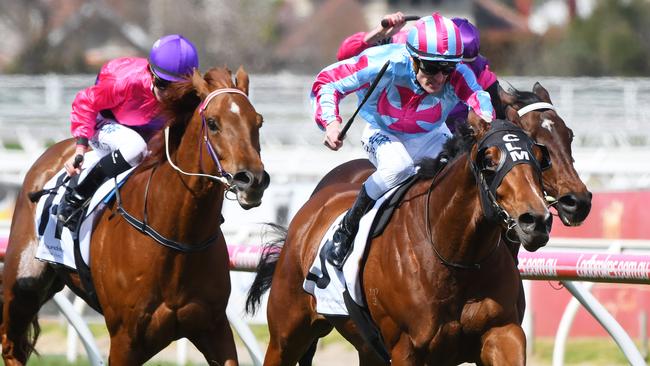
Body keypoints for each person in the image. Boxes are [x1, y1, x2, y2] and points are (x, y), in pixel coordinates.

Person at [312, 13, 495, 269]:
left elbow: (480, 99)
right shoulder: (385, 61)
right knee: (398, 167)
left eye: (447, 69)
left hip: (431, 133)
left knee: (462, 173)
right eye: (431, 68)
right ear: (413, 57)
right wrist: (331, 122)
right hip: (383, 130)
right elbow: (328, 81)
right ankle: (347, 227)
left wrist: (485, 123)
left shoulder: (458, 73)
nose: (440, 78)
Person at [57, 34, 199, 228]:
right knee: (135, 147)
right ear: (151, 73)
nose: (168, 96)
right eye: (163, 85)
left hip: (143, 127)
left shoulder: (188, 96)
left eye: (177, 90)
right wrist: (80, 148)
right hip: (106, 120)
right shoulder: (127, 82)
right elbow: (85, 102)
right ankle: (76, 198)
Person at [337, 12, 505, 130]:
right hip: (393, 127)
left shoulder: (481, 73)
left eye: (451, 67)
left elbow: (496, 117)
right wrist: (377, 35)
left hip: (445, 136)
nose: (444, 75)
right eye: (435, 66)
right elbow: (344, 57)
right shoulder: (405, 44)